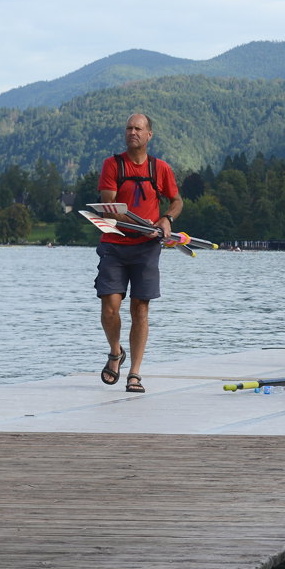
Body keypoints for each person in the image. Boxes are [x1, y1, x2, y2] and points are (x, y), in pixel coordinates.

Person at [95, 113, 182, 394]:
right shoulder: (112, 165)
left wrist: (167, 219)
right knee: (110, 306)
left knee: (140, 309)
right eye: (129, 128)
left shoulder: (161, 168)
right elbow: (110, 205)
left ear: (149, 135)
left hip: (147, 248)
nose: (132, 132)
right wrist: (140, 226)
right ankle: (115, 352)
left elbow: (176, 200)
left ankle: (135, 372)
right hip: (115, 243)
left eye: (138, 129)